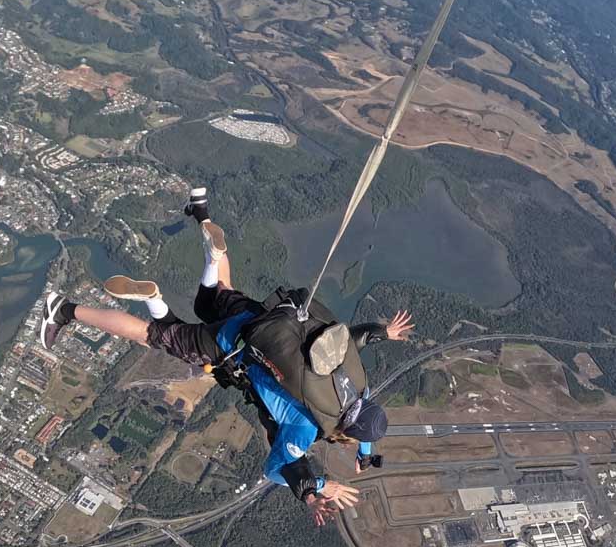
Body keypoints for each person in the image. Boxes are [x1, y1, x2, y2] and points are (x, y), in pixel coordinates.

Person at [40, 188, 414, 522]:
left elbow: (354, 341)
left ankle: (202, 216)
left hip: (269, 322)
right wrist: (316, 488)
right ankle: (67, 309)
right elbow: (274, 469)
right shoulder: (307, 428)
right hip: (234, 345)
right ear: (346, 434)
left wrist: (384, 333)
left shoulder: (356, 387)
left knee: (216, 294)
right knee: (151, 335)